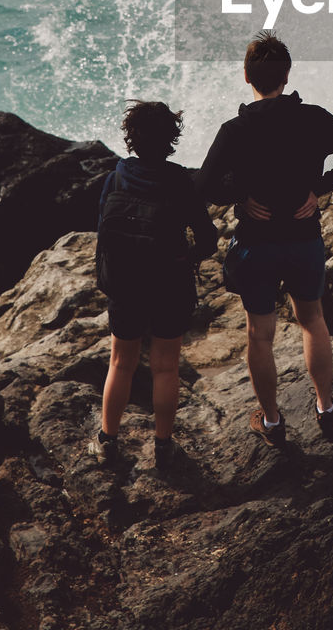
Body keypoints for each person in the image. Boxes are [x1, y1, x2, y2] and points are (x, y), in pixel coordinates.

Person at [196, 31, 333, 447]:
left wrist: (241, 197)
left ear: (246, 76)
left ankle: (273, 421)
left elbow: (203, 187)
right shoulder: (313, 117)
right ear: (287, 74)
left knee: (260, 334)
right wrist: (321, 189)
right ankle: (326, 408)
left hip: (256, 244)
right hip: (302, 239)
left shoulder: (234, 130)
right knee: (312, 320)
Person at [92, 100, 217, 472]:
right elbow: (208, 238)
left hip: (126, 286)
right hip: (170, 285)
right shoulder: (180, 181)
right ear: (171, 140)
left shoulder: (116, 177)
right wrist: (188, 257)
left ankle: (107, 442)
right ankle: (163, 447)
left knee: (120, 363)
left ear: (131, 138)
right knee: (166, 367)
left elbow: (102, 230)